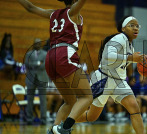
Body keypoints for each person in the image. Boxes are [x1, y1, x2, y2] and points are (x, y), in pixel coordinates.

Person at [18, 0, 93, 133]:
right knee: (86, 97)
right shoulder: (73, 12)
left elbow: (30, 7)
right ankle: (65, 127)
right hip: (65, 53)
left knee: (70, 101)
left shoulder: (53, 14)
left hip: (50, 56)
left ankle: (53, 130)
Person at [76, 16, 145, 134]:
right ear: (123, 28)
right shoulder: (119, 38)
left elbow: (121, 62)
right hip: (104, 79)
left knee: (134, 107)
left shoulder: (130, 45)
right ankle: (63, 121)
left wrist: (137, 62)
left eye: (137, 26)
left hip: (119, 81)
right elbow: (108, 55)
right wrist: (131, 58)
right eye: (131, 25)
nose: (135, 28)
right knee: (92, 116)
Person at [25, 38, 48, 125]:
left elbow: (44, 65)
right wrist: (38, 63)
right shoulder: (28, 54)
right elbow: (27, 64)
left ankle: (43, 119)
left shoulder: (45, 54)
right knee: (29, 99)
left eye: (39, 43)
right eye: (35, 43)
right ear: (33, 44)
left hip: (42, 78)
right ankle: (29, 119)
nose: (37, 45)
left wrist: (34, 64)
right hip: (30, 79)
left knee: (43, 100)